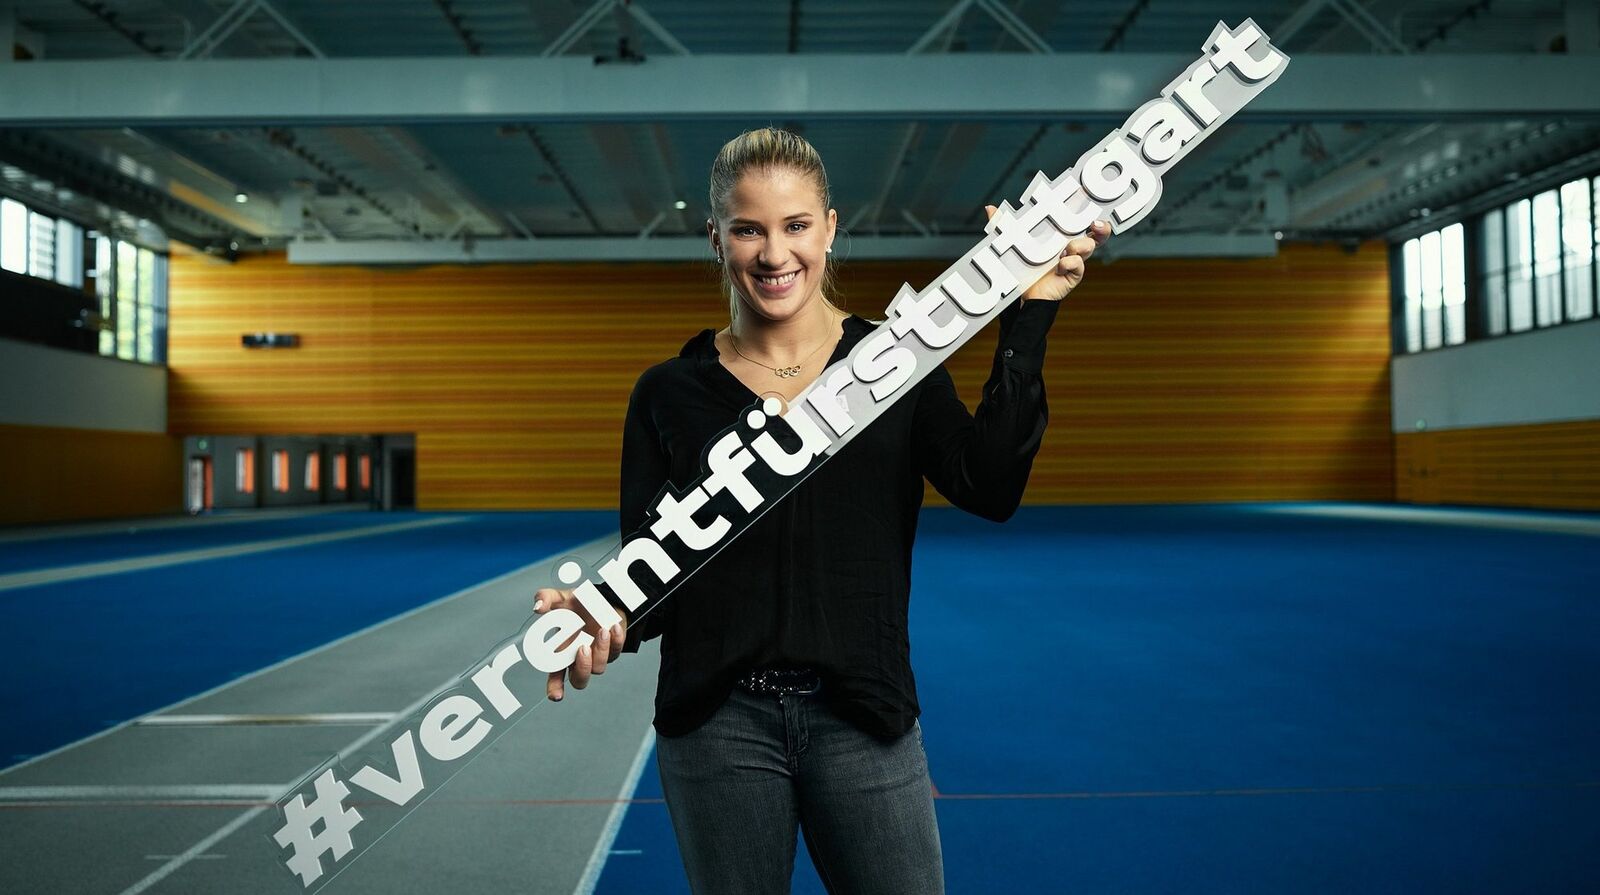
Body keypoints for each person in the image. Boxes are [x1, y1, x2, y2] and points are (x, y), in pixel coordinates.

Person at [534, 127, 1107, 894]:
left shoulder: (899, 364)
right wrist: (602, 611)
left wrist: (1030, 315)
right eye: (749, 229)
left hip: (864, 718)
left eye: (796, 225)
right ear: (717, 238)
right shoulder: (667, 392)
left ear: (830, 228)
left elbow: (990, 485)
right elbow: (659, 572)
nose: (775, 254)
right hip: (717, 728)